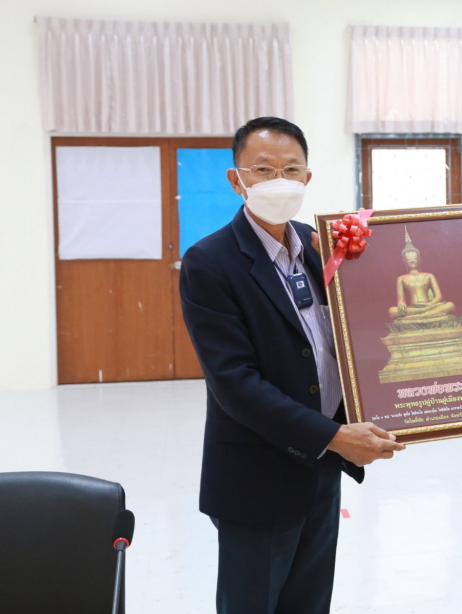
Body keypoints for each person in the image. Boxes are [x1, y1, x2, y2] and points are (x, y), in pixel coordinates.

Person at [180, 116, 405, 614]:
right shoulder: (210, 262)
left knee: (310, 602)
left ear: (307, 177)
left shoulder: (323, 246)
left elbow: (358, 332)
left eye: (290, 169)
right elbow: (235, 384)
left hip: (322, 469)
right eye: (263, 170)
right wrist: (333, 436)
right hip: (258, 475)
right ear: (236, 180)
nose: (278, 181)